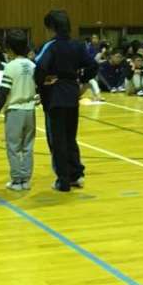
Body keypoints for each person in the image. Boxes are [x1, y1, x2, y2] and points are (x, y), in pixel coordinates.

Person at [35, 10, 97, 192]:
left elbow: (39, 68)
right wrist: (82, 81)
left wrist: (42, 84)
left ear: (51, 28)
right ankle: (76, 174)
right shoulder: (77, 46)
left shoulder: (51, 46)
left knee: (57, 140)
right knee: (70, 137)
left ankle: (63, 180)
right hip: (72, 96)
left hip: (54, 98)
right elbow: (93, 65)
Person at [0, 29, 36, 191]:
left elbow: (3, 93)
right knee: (28, 147)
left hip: (15, 111)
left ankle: (17, 181)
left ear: (9, 48)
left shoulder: (10, 67)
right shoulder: (32, 65)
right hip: (30, 111)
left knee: (14, 147)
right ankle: (26, 180)